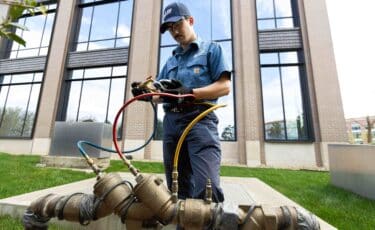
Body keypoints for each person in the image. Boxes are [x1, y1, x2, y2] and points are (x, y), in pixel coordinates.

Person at [133, 2, 231, 203]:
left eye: (177, 24)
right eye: (169, 28)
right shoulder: (170, 62)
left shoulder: (211, 50)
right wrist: (145, 93)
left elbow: (224, 86)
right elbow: (160, 95)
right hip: (172, 125)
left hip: (200, 120)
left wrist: (190, 93)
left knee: (207, 190)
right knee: (178, 189)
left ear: (191, 21)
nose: (174, 31)